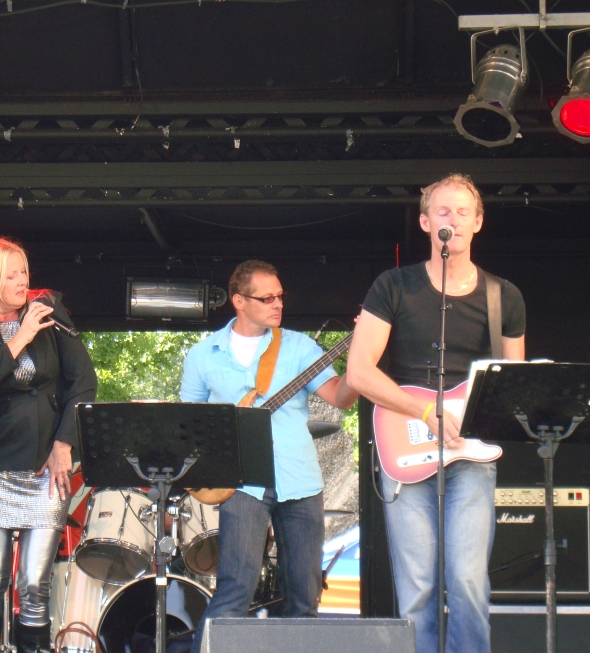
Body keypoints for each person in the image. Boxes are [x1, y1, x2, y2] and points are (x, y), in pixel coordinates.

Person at [346, 174, 525, 653]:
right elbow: (360, 372)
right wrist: (424, 409)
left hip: (470, 453)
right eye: (443, 212)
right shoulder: (393, 286)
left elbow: (511, 381)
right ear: (426, 223)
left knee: (467, 579)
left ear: (478, 222)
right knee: (418, 587)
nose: (454, 220)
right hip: (405, 442)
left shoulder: (503, 297)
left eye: (463, 212)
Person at [182, 260, 358, 653]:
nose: (278, 304)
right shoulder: (202, 354)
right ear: (239, 301)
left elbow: (340, 398)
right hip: (242, 482)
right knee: (234, 590)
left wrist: (359, 364)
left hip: (300, 481)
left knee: (304, 598)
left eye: (280, 296)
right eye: (267, 298)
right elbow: (190, 425)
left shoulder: (299, 347)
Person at [0, 236, 96, 653]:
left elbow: (84, 382)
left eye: (23, 271)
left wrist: (64, 444)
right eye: (10, 275)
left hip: (47, 466)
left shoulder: (49, 313)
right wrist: (19, 337)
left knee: (34, 582)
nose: (22, 281)